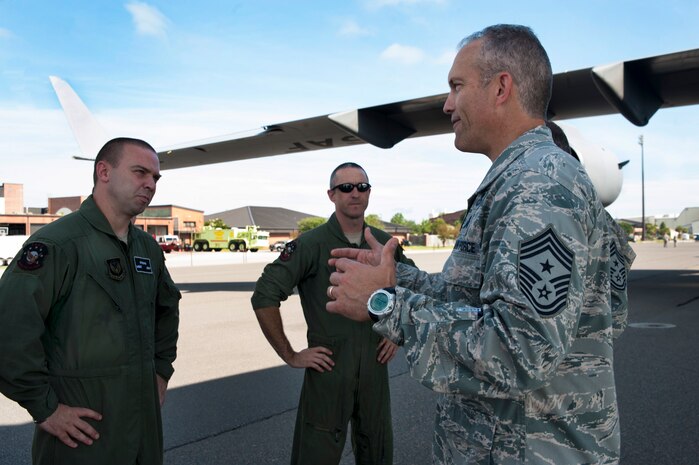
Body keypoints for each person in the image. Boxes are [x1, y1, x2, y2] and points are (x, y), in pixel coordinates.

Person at [326, 25, 621, 464]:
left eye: (456, 86)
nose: (447, 104)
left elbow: (521, 349)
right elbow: (474, 302)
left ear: (501, 87)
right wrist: (396, 277)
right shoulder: (515, 181)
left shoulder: (540, 185)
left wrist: (384, 303)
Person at [0, 137, 181, 465]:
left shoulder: (146, 248)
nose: (150, 184)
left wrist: (160, 370)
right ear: (104, 172)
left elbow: (167, 310)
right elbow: (8, 330)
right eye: (140, 172)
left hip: (143, 429)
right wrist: (45, 409)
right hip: (82, 437)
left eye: (155, 177)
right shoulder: (58, 244)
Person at [251, 162, 415, 465]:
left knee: (378, 452)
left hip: (374, 370)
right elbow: (264, 296)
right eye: (346, 188)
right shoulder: (311, 245)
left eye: (362, 187)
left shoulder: (384, 245)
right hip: (328, 371)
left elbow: (414, 290)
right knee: (316, 455)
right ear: (332, 194)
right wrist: (291, 354)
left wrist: (398, 332)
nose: (355, 193)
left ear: (369, 193)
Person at [546, 119, 636, 337]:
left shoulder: (549, 217)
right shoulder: (606, 223)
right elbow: (617, 313)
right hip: (595, 357)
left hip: (561, 361)